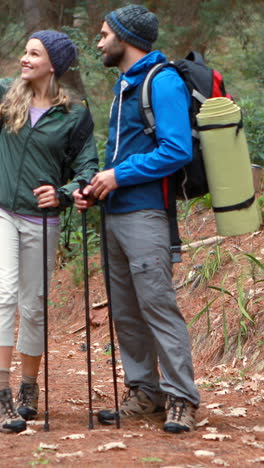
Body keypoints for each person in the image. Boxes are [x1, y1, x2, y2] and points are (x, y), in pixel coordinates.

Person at [74, 4, 200, 434]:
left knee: (157, 307)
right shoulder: (125, 85)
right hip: (115, 214)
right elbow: (121, 156)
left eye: (105, 33)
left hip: (146, 214)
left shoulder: (160, 81)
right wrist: (97, 185)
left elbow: (177, 149)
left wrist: (118, 175)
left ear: (125, 38)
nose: (99, 41)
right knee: (126, 312)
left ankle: (181, 398)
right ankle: (145, 392)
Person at [0, 30, 98, 433]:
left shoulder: (74, 113)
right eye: (24, 51)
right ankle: (2, 393)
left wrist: (64, 192)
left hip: (42, 220)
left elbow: (87, 169)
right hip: (3, 212)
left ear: (53, 64)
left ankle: (28, 387)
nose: (24, 59)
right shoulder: (6, 95)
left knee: (34, 304)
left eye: (34, 54)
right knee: (4, 294)